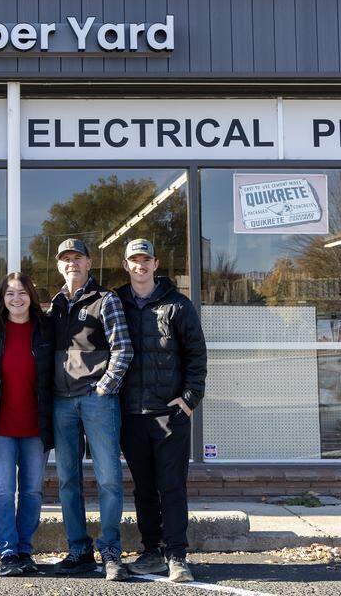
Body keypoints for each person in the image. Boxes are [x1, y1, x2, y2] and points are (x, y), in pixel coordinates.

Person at [116, 238, 207, 584]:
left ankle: (177, 555)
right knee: (143, 487)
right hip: (130, 414)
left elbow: (197, 356)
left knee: (171, 486)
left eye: (146, 260)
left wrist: (188, 399)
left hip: (169, 414)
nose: (140, 266)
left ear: (155, 265)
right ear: (126, 265)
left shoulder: (178, 306)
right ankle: (152, 550)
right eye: (134, 260)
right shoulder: (117, 304)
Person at [50, 238, 133, 581]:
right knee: (68, 479)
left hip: (97, 401)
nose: (72, 263)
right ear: (60, 265)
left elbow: (123, 349)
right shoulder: (55, 304)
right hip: (62, 402)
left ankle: (110, 550)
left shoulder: (106, 300)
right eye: (65, 259)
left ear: (88, 263)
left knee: (108, 479)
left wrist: (103, 388)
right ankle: (78, 550)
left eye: (77, 258)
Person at [0, 272, 54, 577]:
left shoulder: (45, 329)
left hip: (35, 427)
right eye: (10, 294)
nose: (16, 299)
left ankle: (25, 550)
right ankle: (7, 552)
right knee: (2, 492)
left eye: (22, 293)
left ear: (31, 295)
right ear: (2, 299)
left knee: (31, 492)